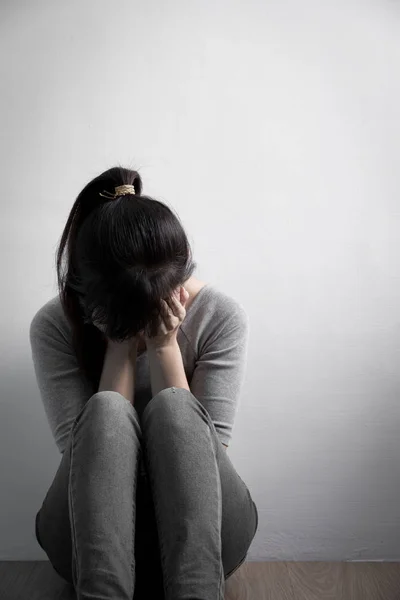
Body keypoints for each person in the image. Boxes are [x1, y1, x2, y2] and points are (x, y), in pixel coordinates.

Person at [30, 165, 258, 600]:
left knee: (175, 406)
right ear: (85, 294)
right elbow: (89, 464)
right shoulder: (54, 326)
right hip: (90, 539)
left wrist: (164, 347)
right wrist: (118, 347)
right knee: (106, 412)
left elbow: (206, 461)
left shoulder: (220, 316)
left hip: (206, 538)